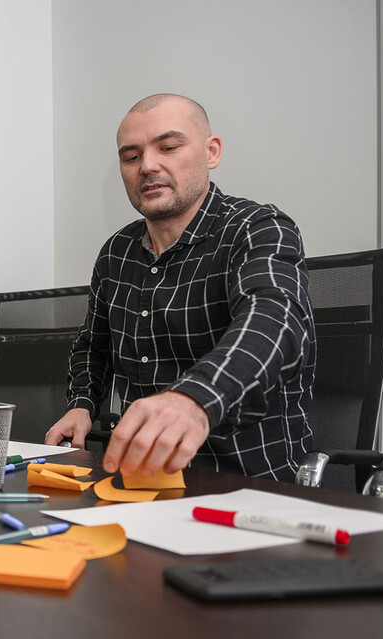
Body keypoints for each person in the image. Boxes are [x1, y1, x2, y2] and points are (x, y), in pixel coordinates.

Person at [44, 94, 316, 480]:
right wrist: (82, 405)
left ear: (211, 152)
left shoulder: (259, 228)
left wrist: (193, 399)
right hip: (141, 482)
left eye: (168, 147)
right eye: (131, 156)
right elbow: (93, 345)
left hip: (246, 484)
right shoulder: (116, 253)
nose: (148, 166)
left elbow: (272, 320)